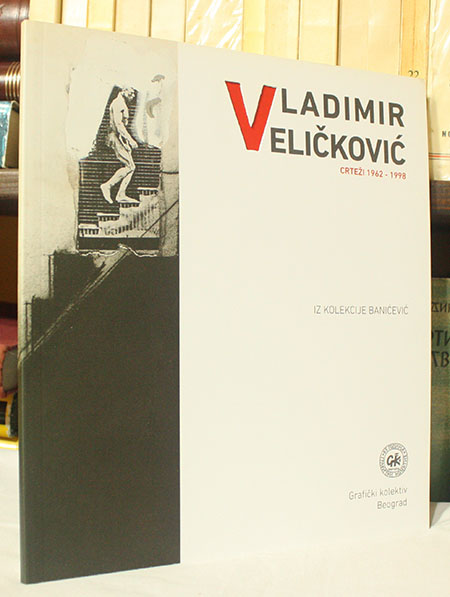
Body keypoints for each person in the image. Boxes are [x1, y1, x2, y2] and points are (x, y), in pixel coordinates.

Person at [100, 87, 139, 204]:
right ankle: (107, 185)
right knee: (130, 166)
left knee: (131, 167)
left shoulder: (121, 103)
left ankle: (121, 194)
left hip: (119, 137)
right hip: (115, 136)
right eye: (131, 93)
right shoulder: (118, 103)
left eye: (134, 94)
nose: (132, 96)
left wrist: (125, 141)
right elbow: (118, 124)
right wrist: (130, 140)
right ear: (124, 90)